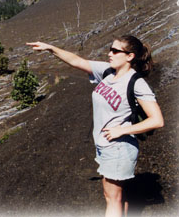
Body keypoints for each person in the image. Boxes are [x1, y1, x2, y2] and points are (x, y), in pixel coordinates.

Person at [26, 35, 164, 217]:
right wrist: (50, 48)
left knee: (112, 199)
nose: (110, 54)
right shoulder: (108, 72)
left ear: (130, 56)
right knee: (115, 197)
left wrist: (121, 130)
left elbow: (157, 120)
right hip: (105, 145)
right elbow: (77, 61)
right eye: (110, 49)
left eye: (115, 51)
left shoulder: (136, 82)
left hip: (119, 148)